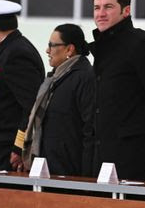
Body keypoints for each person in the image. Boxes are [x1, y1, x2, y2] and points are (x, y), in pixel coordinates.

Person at [89, 0, 145, 180]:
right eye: (97, 8)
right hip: (101, 157)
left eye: (108, 7)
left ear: (126, 10)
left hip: (133, 160)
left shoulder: (143, 45)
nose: (101, 13)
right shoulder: (102, 48)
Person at [0, 0, 44, 171]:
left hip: (7, 151)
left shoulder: (16, 54)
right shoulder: (4, 50)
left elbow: (32, 105)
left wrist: (19, 146)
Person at [22, 24, 95, 176]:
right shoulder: (55, 78)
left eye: (52, 45)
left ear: (69, 49)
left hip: (68, 171)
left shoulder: (84, 77)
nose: (47, 50)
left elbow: (90, 129)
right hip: (47, 166)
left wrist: (86, 176)